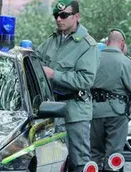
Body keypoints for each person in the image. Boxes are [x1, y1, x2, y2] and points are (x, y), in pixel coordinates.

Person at [34, 0, 99, 171]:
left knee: (79, 161)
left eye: (63, 15)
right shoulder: (53, 40)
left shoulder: (87, 45)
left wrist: (54, 75)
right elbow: (35, 60)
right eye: (56, 15)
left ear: (76, 16)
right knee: (51, 161)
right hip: (51, 109)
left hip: (75, 111)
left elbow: (86, 80)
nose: (58, 19)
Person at [90, 29, 131, 172]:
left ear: (107, 42)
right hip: (117, 113)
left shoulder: (93, 60)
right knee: (114, 154)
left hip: (94, 112)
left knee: (94, 153)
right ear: (122, 44)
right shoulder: (125, 62)